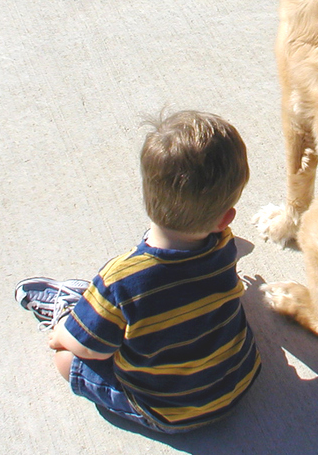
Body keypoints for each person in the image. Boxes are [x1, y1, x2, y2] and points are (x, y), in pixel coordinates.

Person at [15, 111, 261, 433]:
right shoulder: (224, 246)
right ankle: (98, 316)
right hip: (240, 378)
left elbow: (90, 349)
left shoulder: (122, 279)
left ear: (147, 195)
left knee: (66, 358)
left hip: (169, 412)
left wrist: (63, 331)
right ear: (225, 219)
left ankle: (77, 313)